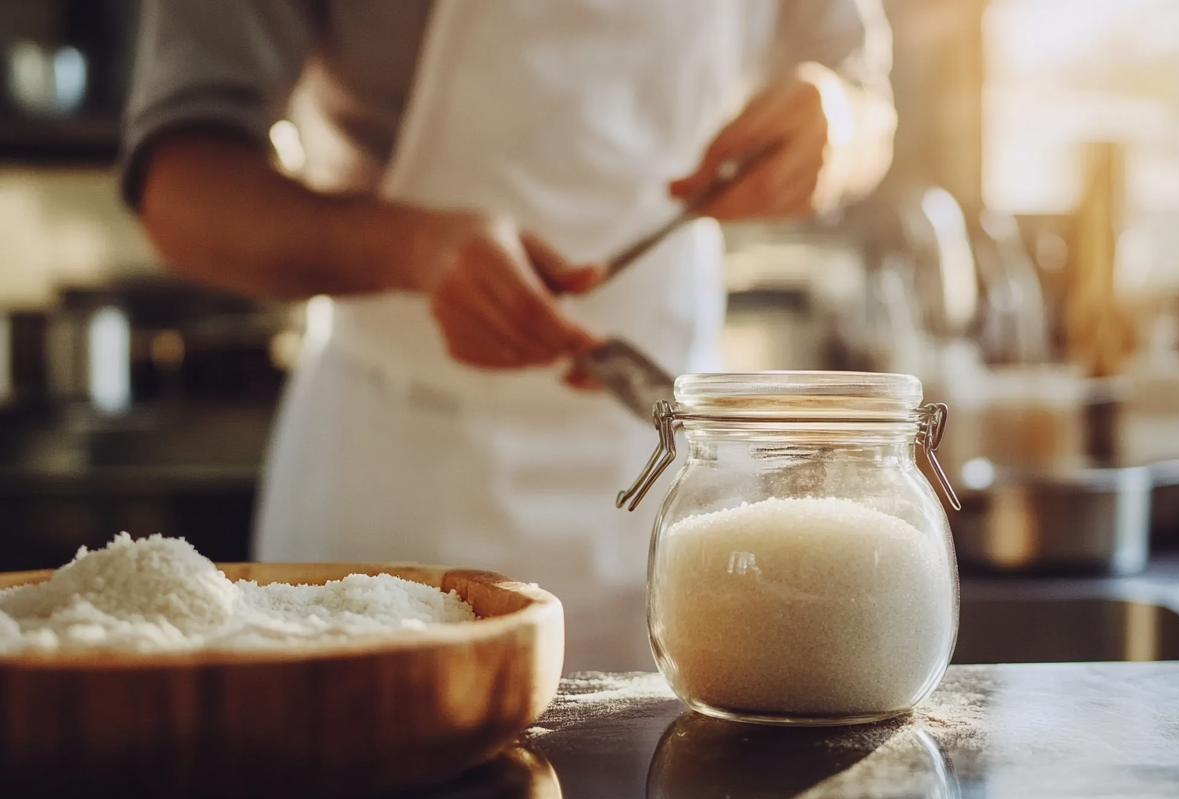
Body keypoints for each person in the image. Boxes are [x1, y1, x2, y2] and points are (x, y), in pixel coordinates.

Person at [123, 0, 896, 671]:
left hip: (677, 489)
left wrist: (838, 126)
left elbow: (864, 102)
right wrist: (411, 248)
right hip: (396, 493)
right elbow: (181, 188)